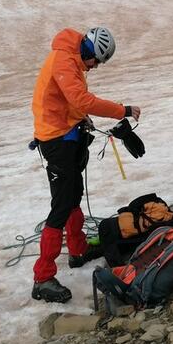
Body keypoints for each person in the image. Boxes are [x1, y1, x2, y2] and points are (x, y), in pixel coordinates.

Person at [30, 26, 142, 303]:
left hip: (66, 134)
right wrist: (122, 110)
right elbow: (80, 98)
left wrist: (82, 120)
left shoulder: (71, 58)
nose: (94, 67)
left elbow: (70, 100)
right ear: (90, 52)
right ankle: (42, 277)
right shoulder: (65, 60)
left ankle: (78, 250)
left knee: (73, 195)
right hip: (55, 141)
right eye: (96, 61)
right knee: (61, 205)